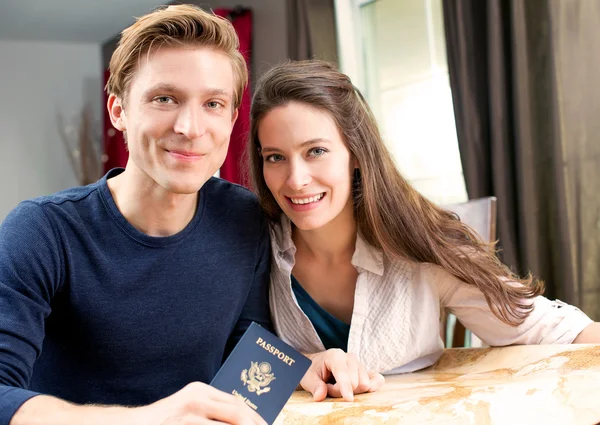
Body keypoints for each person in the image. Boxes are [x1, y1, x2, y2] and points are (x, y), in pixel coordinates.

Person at [246, 59, 600, 401]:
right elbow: (227, 369)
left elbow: (544, 328)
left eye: (316, 151)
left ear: (355, 153)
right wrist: (301, 365)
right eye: (275, 157)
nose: (296, 180)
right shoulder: (252, 247)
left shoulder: (420, 241)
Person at [0, 5, 273, 425]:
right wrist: (149, 419)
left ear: (233, 118)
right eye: (165, 98)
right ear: (118, 111)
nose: (190, 126)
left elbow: (247, 356)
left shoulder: (245, 217)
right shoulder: (41, 232)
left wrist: (310, 364)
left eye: (214, 103)